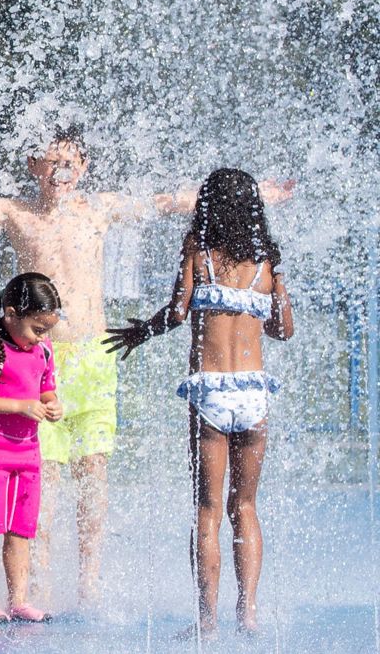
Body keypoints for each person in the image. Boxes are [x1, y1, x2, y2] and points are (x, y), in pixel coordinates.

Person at [0, 126, 292, 608]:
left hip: (94, 357)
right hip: (40, 359)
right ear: (33, 166)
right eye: (51, 162)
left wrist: (262, 194)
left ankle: (89, 578)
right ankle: (39, 580)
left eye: (70, 163)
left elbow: (168, 201)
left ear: (85, 168)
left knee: (93, 473)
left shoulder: (99, 208)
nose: (61, 172)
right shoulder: (15, 212)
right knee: (41, 475)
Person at [104, 168, 293, 638]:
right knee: (245, 506)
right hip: (253, 392)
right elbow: (284, 330)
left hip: (210, 389)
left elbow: (176, 312)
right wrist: (272, 292)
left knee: (207, 509)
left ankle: (206, 622)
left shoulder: (198, 252)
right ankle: (247, 613)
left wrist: (138, 332)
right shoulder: (265, 264)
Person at [0, 273, 63, 624]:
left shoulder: (43, 350)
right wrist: (20, 406)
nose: (41, 337)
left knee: (21, 530)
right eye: (36, 328)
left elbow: (46, 388)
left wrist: (52, 404)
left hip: (28, 454)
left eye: (46, 330)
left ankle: (19, 599)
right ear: (10, 313)